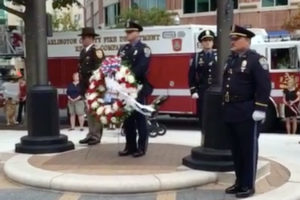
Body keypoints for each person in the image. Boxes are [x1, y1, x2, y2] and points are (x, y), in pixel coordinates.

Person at [222, 25, 271, 198]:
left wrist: (260, 108)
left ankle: (248, 185)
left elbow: (264, 87)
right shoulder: (232, 60)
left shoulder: (256, 60)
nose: (232, 42)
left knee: (248, 151)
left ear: (247, 40)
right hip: (231, 111)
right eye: (232, 39)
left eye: (236, 39)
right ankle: (239, 182)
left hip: (247, 111)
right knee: (236, 150)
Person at [118, 20, 153, 158]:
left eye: (130, 31)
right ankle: (130, 146)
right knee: (128, 120)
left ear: (138, 33)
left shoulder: (144, 49)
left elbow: (141, 68)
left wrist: (126, 78)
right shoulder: (123, 49)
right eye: (127, 31)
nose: (127, 34)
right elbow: (117, 65)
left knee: (140, 119)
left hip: (137, 88)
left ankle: (141, 147)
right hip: (124, 90)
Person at [78, 27, 105, 145]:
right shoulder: (83, 51)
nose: (82, 40)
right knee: (88, 111)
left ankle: (96, 135)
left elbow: (100, 69)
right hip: (85, 86)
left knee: (95, 111)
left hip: (95, 86)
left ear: (90, 38)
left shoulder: (97, 51)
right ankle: (91, 133)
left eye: (83, 38)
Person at [188, 30, 217, 128]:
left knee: (216, 117)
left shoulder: (219, 56)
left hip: (216, 90)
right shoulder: (196, 57)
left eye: (210, 40)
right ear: (201, 43)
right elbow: (191, 75)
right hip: (202, 91)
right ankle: (204, 139)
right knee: (203, 117)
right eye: (205, 40)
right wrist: (193, 90)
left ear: (213, 42)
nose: (207, 42)